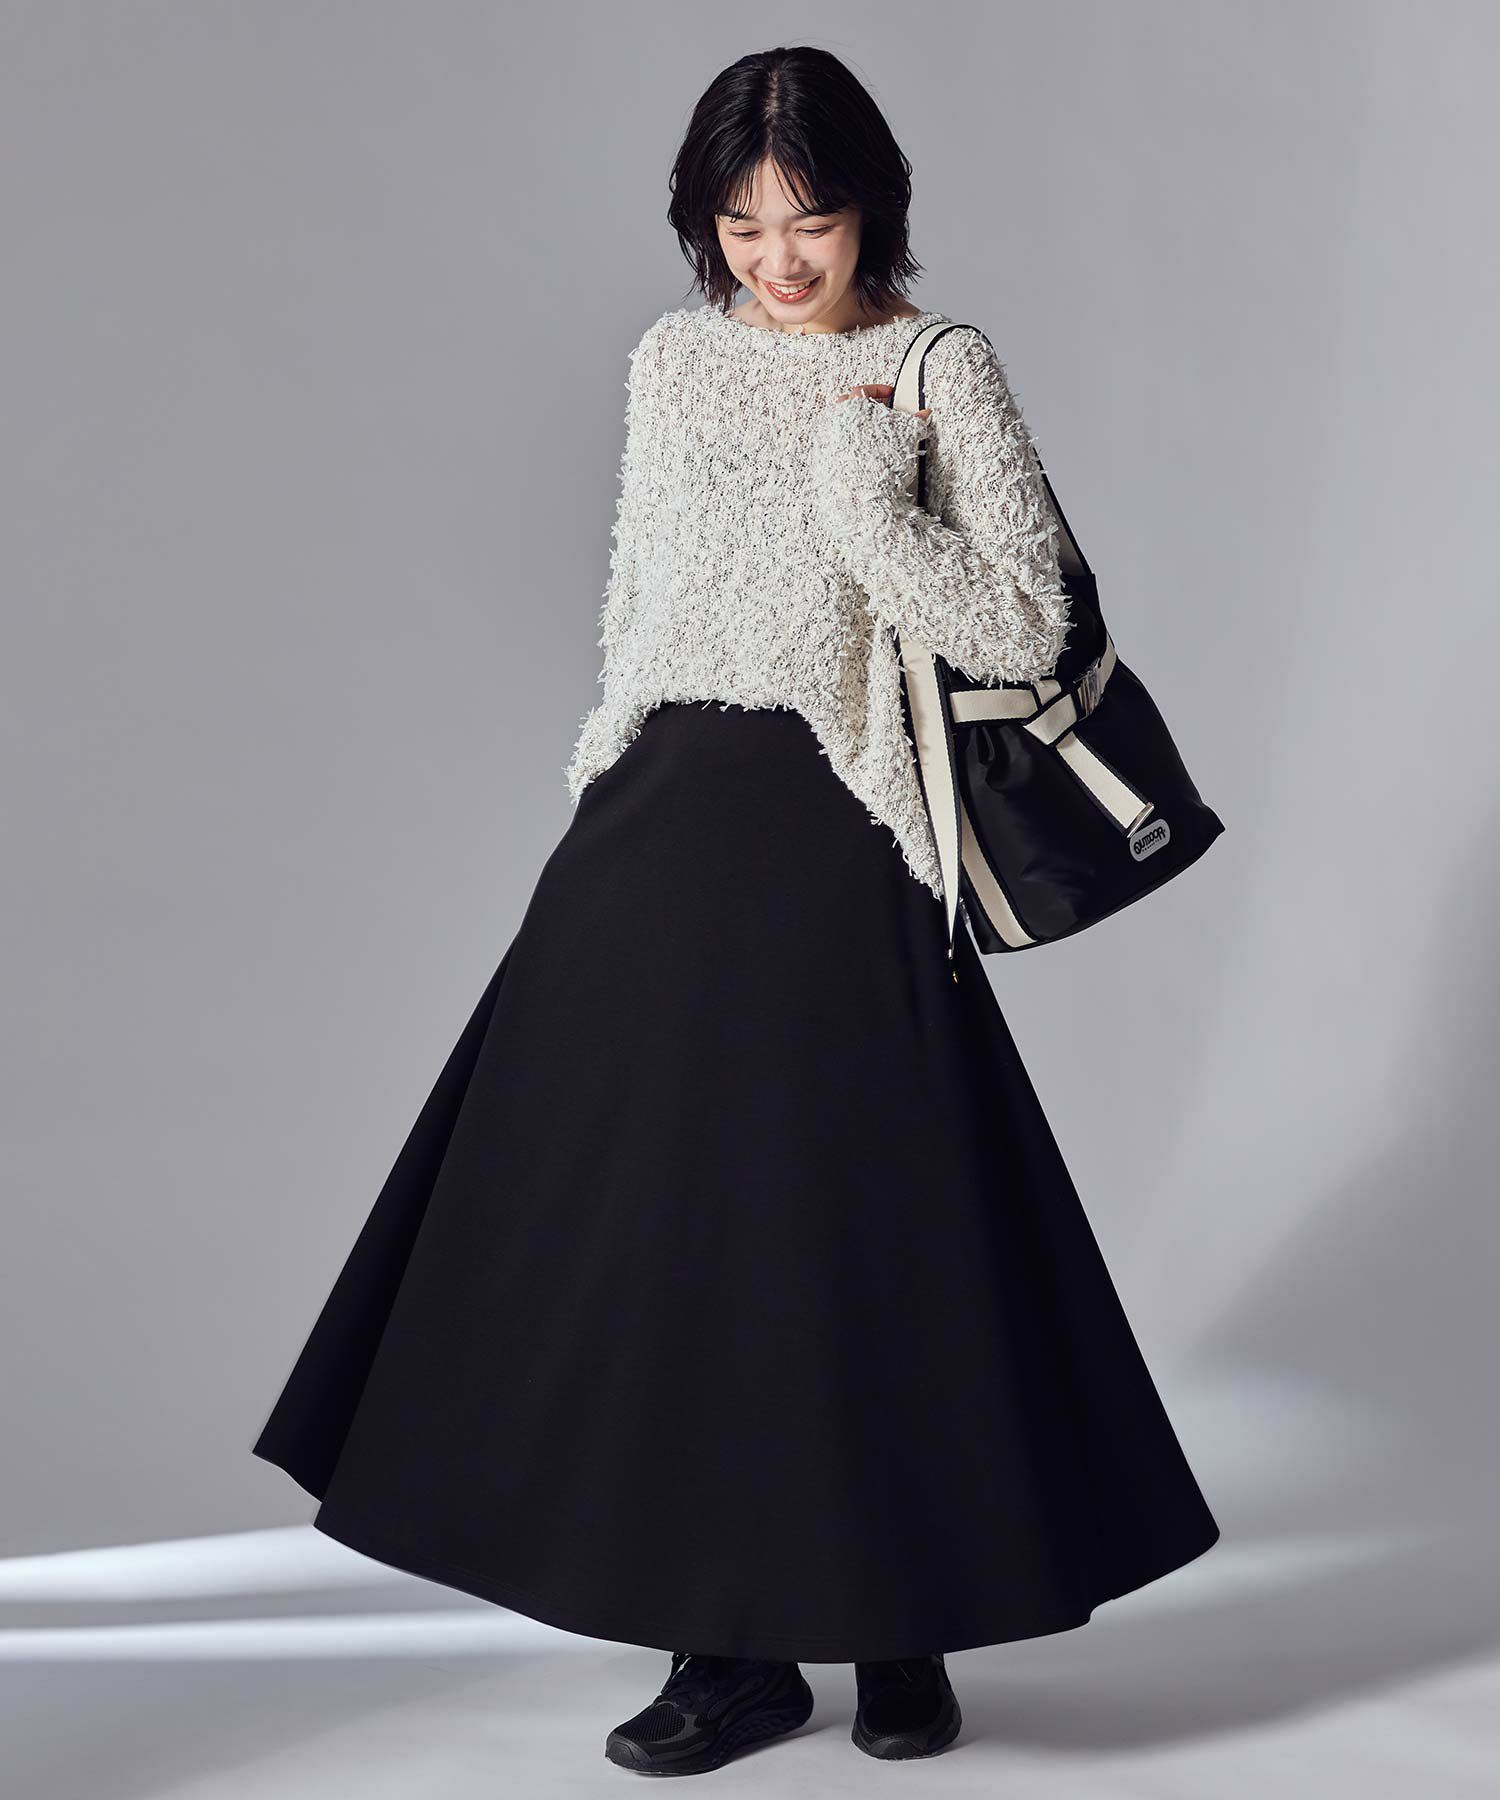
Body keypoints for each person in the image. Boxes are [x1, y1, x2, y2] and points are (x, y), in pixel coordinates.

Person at [251, 43, 1221, 1778]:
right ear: (703, 221)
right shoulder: (673, 361)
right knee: (674, 1233)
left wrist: (867, 501)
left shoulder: (937, 366)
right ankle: (733, 1650)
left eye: (812, 221)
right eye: (743, 223)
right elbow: (642, 588)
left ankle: (901, 1620)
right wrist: (596, 777)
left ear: (874, 213)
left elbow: (1025, 625)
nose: (777, 259)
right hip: (658, 812)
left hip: (845, 824)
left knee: (862, 1226)